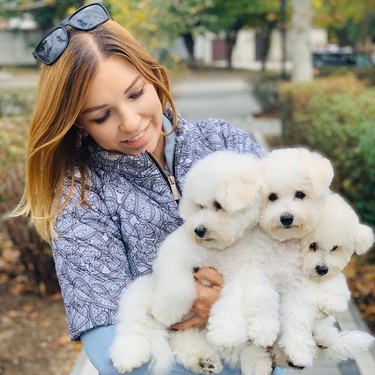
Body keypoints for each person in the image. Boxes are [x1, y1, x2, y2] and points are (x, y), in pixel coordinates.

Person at [16, 3, 285, 375]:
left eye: (135, 93)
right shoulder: (81, 197)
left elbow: (305, 251)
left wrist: (237, 302)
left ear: (152, 75)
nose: (130, 123)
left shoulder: (224, 141)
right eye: (101, 116)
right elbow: (111, 350)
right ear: (78, 125)